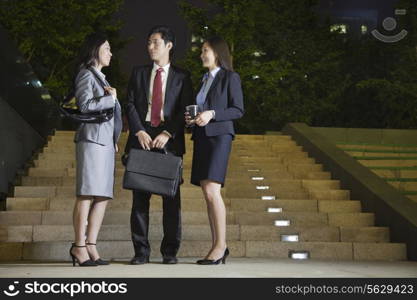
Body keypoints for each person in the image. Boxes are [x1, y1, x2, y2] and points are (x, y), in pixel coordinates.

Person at [125, 25, 193, 264]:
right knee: (139, 201)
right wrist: (139, 130)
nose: (150, 47)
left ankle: (169, 252)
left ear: (168, 46)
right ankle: (141, 252)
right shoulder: (139, 72)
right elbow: (130, 103)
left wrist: (169, 132)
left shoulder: (183, 76)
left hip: (169, 141)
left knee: (171, 201)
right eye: (149, 42)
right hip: (141, 139)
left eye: (155, 42)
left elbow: (185, 108)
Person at [186, 37, 244, 265]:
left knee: (212, 190)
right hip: (202, 137)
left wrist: (212, 114)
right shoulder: (204, 80)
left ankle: (220, 247)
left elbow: (238, 109)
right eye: (201, 50)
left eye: (205, 50)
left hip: (220, 137)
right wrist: (193, 118)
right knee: (207, 193)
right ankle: (217, 246)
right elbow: (202, 107)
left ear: (218, 52)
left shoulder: (230, 77)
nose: (201, 54)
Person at [70, 33, 122, 267]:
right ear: (95, 51)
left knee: (103, 195)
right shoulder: (85, 74)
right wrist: (110, 99)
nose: (111, 53)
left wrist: (114, 138)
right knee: (87, 193)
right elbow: (85, 106)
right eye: (107, 49)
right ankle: (78, 246)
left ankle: (91, 244)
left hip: (105, 143)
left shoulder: (101, 77)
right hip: (91, 141)